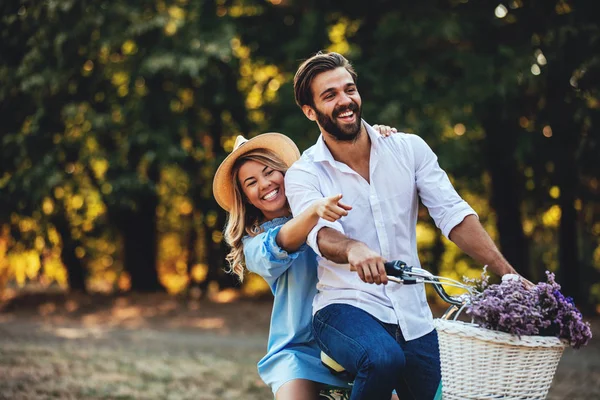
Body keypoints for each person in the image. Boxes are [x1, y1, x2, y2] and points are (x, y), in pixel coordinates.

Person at [284, 51, 530, 400]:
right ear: (310, 111)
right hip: (344, 306)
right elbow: (318, 233)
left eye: (349, 89)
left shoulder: (408, 149)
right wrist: (353, 248)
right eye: (330, 95)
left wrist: (507, 273)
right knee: (383, 359)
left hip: (414, 315)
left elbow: (453, 213)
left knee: (440, 394)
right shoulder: (305, 173)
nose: (345, 100)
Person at [212, 127, 397, 400]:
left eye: (269, 172)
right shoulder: (255, 243)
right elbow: (283, 241)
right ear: (245, 197)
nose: (264, 184)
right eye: (251, 182)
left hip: (354, 336)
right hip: (299, 349)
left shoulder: (322, 205)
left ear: (285, 172)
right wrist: (313, 212)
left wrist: (370, 138)